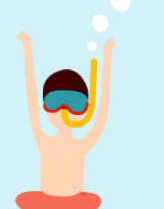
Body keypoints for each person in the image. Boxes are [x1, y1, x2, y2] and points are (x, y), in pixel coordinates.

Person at [16, 32, 112, 208]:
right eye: (55, 102)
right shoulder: (44, 142)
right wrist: (27, 48)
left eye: (74, 103)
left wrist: (107, 56)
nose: (64, 110)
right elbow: (32, 100)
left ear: (86, 108)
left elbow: (101, 115)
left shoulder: (81, 146)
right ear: (45, 106)